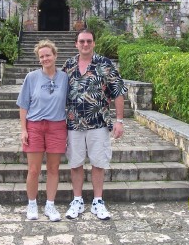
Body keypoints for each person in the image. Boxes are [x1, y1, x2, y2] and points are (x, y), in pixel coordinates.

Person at [62, 29, 128, 220]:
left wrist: (119, 121)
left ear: (94, 43)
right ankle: (77, 200)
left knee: (98, 162)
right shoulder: (69, 65)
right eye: (82, 41)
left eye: (89, 41)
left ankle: (98, 201)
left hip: (98, 123)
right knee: (75, 163)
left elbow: (118, 91)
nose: (85, 44)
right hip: (73, 124)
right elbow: (60, 94)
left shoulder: (105, 64)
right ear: (76, 44)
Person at [16, 40, 68, 222]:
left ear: (55, 55)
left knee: (54, 168)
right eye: (42, 56)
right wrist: (23, 129)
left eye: (48, 55)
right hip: (35, 126)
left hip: (57, 126)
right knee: (33, 169)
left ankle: (50, 205)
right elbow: (23, 105)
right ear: (39, 59)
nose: (45, 58)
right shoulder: (31, 78)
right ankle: (32, 204)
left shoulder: (64, 78)